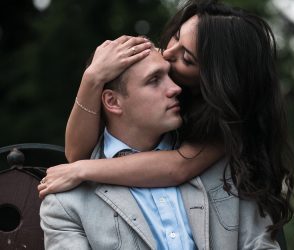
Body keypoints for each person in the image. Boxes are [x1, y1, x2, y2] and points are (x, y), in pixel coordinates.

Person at [38, 0, 294, 243]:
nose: (166, 53)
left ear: (215, 79)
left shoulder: (228, 123)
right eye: (175, 37)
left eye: (187, 58)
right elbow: (75, 153)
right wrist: (92, 77)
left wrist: (83, 170)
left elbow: (178, 167)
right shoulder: (67, 207)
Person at [40, 46, 198, 249]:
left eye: (170, 75)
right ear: (113, 101)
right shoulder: (66, 203)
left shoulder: (212, 157)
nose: (176, 88)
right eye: (154, 80)